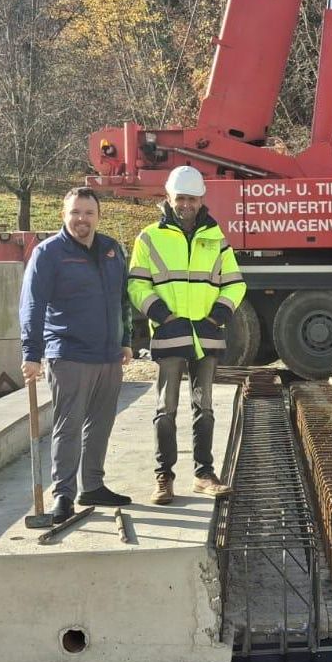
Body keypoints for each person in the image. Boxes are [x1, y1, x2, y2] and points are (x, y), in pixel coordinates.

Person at [128, 165, 246, 505]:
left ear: (201, 200)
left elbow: (235, 282)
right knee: (165, 409)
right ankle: (163, 477)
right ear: (168, 197)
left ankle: (203, 474)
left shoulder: (215, 236)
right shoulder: (149, 237)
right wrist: (161, 315)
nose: (186, 205)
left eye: (192, 199)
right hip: (170, 334)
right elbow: (136, 283)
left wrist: (220, 314)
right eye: (180, 198)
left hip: (206, 335)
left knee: (204, 407)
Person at [19, 187, 133, 523]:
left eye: (88, 213)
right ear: (63, 215)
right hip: (68, 354)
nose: (82, 219)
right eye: (75, 213)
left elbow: (121, 298)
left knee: (100, 424)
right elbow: (32, 306)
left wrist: (126, 339)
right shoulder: (48, 253)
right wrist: (31, 353)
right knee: (68, 428)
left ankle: (93, 485)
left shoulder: (112, 249)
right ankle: (63, 497)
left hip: (109, 355)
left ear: (98, 216)